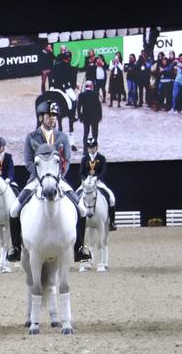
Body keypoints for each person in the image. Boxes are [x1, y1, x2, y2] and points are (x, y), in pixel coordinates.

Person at [6, 100, 92, 264]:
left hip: (58, 180)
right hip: (36, 180)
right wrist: (41, 177)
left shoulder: (62, 137)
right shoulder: (31, 137)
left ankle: (80, 247)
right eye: (49, 115)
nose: (52, 118)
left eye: (54, 115)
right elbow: (28, 161)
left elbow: (66, 160)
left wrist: (57, 177)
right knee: (14, 209)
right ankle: (15, 248)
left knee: (81, 208)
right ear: (41, 117)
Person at [79, 136, 116, 229]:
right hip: (87, 183)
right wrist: (85, 179)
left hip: (98, 182)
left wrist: (96, 177)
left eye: (93, 147)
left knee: (111, 198)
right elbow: (81, 172)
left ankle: (112, 222)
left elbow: (103, 171)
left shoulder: (101, 158)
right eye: (89, 147)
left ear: (96, 147)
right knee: (76, 196)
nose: (91, 149)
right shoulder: (84, 159)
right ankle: (77, 221)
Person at [77, 79, 103, 146]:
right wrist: (100, 116)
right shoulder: (95, 94)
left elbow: (78, 107)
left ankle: (85, 149)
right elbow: (99, 107)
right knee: (95, 134)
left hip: (85, 116)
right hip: (95, 117)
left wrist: (80, 116)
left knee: (86, 134)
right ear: (91, 86)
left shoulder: (81, 95)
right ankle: (94, 147)